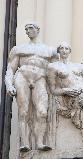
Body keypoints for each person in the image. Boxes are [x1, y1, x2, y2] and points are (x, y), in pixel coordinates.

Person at [5, 23, 56, 151]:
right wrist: (9, 84)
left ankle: (40, 143)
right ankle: (25, 143)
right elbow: (10, 69)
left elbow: (57, 69)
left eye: (31, 28)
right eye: (26, 29)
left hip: (40, 77)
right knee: (23, 111)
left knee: (42, 111)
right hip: (23, 76)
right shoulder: (19, 49)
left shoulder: (49, 50)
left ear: (38, 30)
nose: (28, 31)